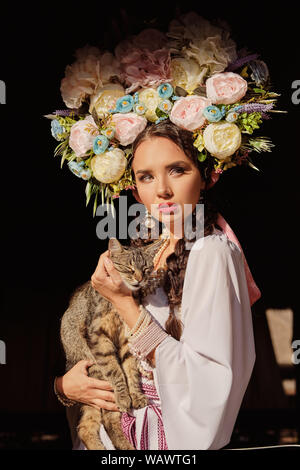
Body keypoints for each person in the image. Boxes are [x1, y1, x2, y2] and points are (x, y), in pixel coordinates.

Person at [54, 120, 260, 450]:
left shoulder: (212, 253)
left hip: (161, 444)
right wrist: (65, 386)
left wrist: (124, 303)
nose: (162, 189)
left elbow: (209, 382)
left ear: (207, 176)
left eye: (177, 170)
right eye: (146, 176)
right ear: (133, 188)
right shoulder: (142, 252)